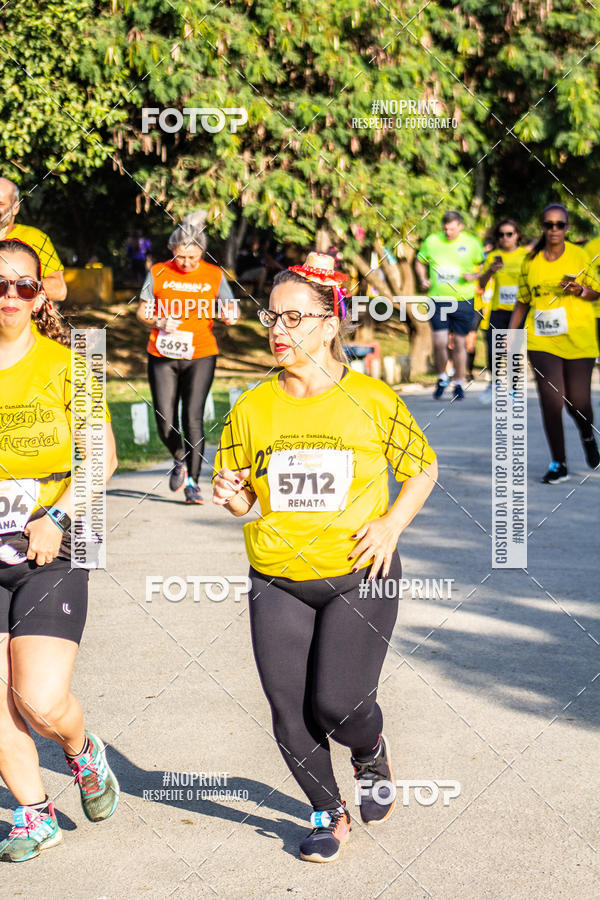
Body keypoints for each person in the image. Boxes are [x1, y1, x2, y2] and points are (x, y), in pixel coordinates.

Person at [212, 252, 437, 862]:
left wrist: (392, 523)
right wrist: (235, 497)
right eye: (271, 317)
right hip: (278, 576)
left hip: (359, 573)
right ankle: (326, 811)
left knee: (338, 704)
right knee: (289, 711)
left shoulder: (371, 398)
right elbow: (245, 495)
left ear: (330, 323)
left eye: (293, 318)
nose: (277, 330)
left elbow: (422, 468)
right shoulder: (252, 406)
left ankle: (370, 750)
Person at [0, 239, 119, 863]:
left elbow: (104, 454)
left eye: (24, 285)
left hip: (52, 540)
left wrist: (57, 515)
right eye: (0, 285)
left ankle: (82, 753)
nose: (12, 296)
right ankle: (33, 812)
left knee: (38, 700)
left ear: (40, 294)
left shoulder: (70, 364)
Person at [136, 213, 238, 504]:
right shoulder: (158, 272)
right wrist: (159, 321)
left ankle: (193, 484)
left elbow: (231, 308)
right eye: (181, 257)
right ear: (172, 250)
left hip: (201, 353)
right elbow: (142, 312)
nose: (187, 264)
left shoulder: (214, 275)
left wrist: (230, 315)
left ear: (201, 253)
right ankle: (179, 456)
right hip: (162, 353)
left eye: (193, 257)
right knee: (164, 421)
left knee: (192, 419)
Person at [509, 203, 600, 483]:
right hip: (542, 341)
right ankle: (558, 463)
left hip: (579, 338)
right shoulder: (530, 261)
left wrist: (579, 290)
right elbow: (523, 300)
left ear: (567, 228)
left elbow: (596, 293)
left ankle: (587, 435)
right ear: (542, 227)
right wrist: (511, 336)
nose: (554, 230)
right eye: (549, 225)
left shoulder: (579, 255)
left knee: (578, 402)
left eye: (560, 224)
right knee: (552, 400)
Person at [415, 211, 484, 400]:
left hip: (464, 299)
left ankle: (459, 383)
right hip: (438, 299)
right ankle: (442, 377)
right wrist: (423, 279)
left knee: (461, 343)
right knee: (439, 342)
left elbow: (483, 265)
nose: (448, 232)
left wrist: (475, 276)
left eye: (452, 229)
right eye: (445, 228)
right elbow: (420, 261)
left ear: (460, 226)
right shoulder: (432, 241)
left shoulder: (471, 243)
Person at [478, 219, 529, 405]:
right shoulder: (494, 256)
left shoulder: (526, 255)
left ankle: (513, 389)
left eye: (510, 234)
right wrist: (490, 271)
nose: (505, 238)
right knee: (493, 348)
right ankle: (494, 383)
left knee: (514, 349)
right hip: (498, 310)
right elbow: (481, 285)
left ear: (518, 235)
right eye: (501, 234)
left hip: (520, 310)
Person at [0, 178, 67, 303]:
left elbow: (59, 289)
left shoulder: (36, 238)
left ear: (15, 208)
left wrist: (17, 287)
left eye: (0, 204)